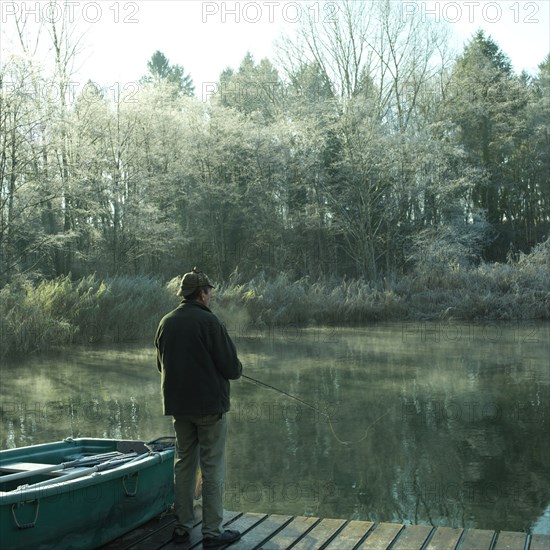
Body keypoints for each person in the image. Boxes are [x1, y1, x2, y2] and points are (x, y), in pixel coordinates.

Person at [155, 267, 242, 547]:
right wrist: (238, 367)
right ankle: (212, 534)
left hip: (179, 408)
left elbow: (161, 366)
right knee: (212, 467)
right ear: (202, 294)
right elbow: (231, 368)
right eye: (209, 291)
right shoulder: (210, 322)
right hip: (209, 409)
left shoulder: (166, 322)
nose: (211, 296)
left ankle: (181, 526)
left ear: (184, 294)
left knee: (183, 465)